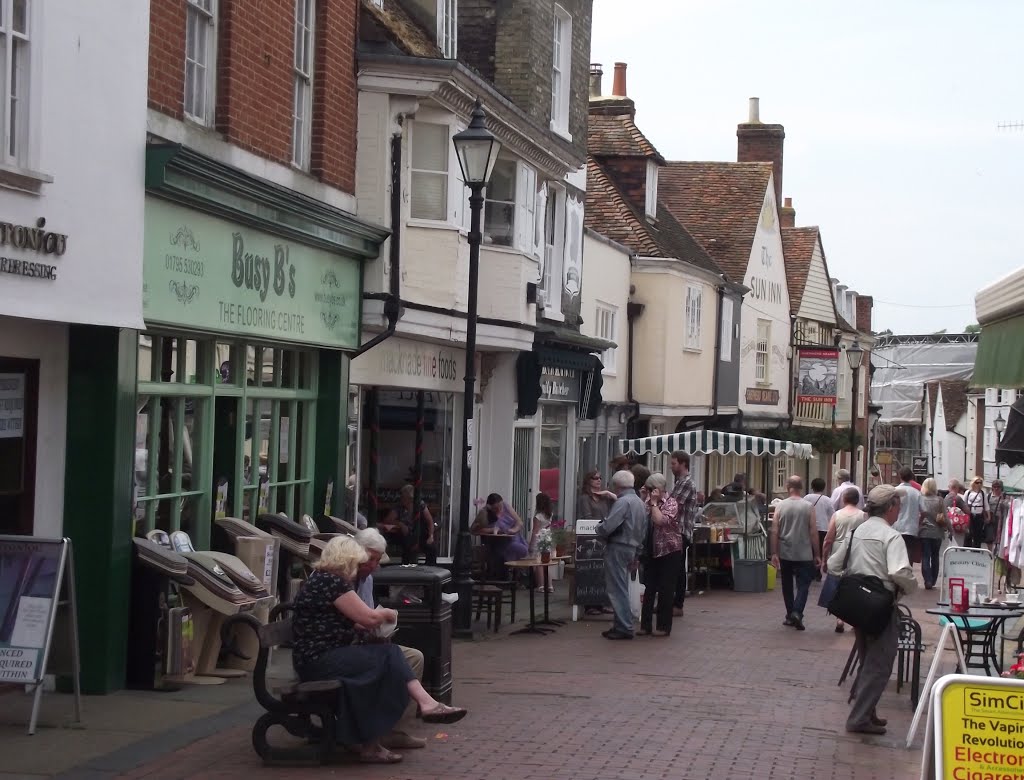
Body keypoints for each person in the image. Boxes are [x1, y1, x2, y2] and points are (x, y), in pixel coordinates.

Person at [291, 536, 466, 764]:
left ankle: (377, 738)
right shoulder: (332, 582)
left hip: (320, 656)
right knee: (390, 656)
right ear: (346, 560)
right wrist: (390, 614)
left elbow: (351, 622)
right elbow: (369, 617)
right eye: (356, 562)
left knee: (388, 657)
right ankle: (423, 706)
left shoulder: (324, 580)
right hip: (319, 660)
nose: (358, 568)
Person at [828, 484, 918, 736]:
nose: (899, 509)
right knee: (880, 663)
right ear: (890, 507)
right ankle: (858, 717)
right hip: (880, 604)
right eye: (898, 505)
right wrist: (912, 588)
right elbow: (899, 571)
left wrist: (855, 576)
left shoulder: (858, 531)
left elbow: (834, 565)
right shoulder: (892, 536)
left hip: (857, 603)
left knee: (867, 657)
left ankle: (868, 710)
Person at [352, 529, 427, 751]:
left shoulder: (367, 580)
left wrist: (379, 630)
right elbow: (360, 619)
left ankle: (390, 728)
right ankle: (376, 729)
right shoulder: (342, 579)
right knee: (395, 660)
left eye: (377, 560)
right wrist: (379, 620)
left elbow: (367, 614)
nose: (374, 565)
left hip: (363, 642)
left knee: (414, 658)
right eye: (371, 559)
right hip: (348, 646)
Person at [596, 470, 647, 640]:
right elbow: (642, 530)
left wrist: (599, 529)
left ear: (617, 486)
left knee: (617, 588)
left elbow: (609, 525)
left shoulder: (623, 502)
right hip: (632, 548)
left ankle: (624, 626)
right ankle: (620, 624)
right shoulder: (639, 503)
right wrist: (638, 553)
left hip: (618, 546)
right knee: (621, 585)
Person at [770, 476, 820, 631]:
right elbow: (813, 531)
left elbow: (774, 531)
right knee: (803, 585)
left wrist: (774, 552)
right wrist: (817, 553)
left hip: (786, 551)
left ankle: (790, 614)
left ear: (787, 487)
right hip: (804, 552)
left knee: (786, 585)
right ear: (801, 487)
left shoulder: (780, 506)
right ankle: (797, 612)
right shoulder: (808, 506)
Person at [639, 473, 682, 637]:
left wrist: (655, 504)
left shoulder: (672, 503)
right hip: (652, 549)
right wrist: (644, 498)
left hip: (669, 550)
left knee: (665, 588)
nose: (649, 492)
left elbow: (660, 521)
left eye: (651, 489)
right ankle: (646, 625)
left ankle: (663, 626)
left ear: (659, 489)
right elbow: (642, 517)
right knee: (649, 587)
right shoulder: (648, 502)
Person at [820, 487, 867, 633]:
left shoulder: (837, 515)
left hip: (838, 552)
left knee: (838, 586)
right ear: (857, 500)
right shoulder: (863, 516)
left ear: (843, 499)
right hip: (857, 552)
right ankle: (854, 619)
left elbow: (828, 539)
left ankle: (840, 619)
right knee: (855, 586)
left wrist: (824, 559)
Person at [669, 451, 699, 617]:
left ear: (683, 464)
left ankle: (677, 604)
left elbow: (673, 505)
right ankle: (673, 602)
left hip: (680, 531)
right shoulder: (680, 482)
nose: (671, 466)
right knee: (676, 567)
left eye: (673, 463)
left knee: (678, 568)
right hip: (677, 531)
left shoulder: (686, 483)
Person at [379, 485, 437, 566]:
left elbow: (430, 521)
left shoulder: (420, 505)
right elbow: (388, 520)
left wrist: (431, 536)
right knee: (407, 546)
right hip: (406, 535)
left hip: (420, 533)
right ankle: (406, 568)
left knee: (431, 548)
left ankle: (430, 568)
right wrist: (401, 524)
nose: (402, 498)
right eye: (402, 496)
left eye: (403, 496)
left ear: (410, 498)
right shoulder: (399, 507)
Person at [471, 493, 529, 572]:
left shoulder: (506, 506)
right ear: (490, 507)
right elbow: (474, 530)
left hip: (512, 537)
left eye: (500, 506)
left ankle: (514, 572)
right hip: (498, 542)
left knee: (522, 549)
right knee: (514, 549)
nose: (499, 509)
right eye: (496, 508)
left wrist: (513, 530)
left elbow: (519, 522)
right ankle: (509, 571)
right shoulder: (485, 513)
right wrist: (492, 530)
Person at [917, 478, 947, 590]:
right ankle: (933, 580)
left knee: (925, 556)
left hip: (924, 531)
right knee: (935, 556)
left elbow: (918, 514)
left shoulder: (921, 499)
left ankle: (927, 580)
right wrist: (950, 529)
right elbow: (945, 517)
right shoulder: (939, 500)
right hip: (937, 532)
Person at [804, 477, 833, 580]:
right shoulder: (827, 500)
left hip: (809, 527)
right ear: (824, 488)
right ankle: (817, 571)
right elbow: (832, 515)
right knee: (819, 550)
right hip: (823, 528)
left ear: (812, 487)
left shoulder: (807, 497)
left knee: (810, 550)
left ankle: (810, 570)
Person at [893, 466, 922, 563]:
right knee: (909, 553)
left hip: (897, 526)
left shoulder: (894, 491)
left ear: (900, 476)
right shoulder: (917, 493)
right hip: (911, 527)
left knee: (896, 552)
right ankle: (908, 572)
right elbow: (924, 511)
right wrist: (919, 522)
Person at [529, 492, 553, 590]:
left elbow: (535, 530)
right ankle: (550, 585)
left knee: (538, 563)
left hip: (539, 538)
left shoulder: (538, 516)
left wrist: (531, 544)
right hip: (547, 537)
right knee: (546, 562)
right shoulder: (549, 514)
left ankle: (541, 585)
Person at [964, 476, 990, 549]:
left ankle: (977, 549)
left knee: (978, 534)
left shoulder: (982, 493)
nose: (979, 484)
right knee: (969, 533)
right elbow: (964, 504)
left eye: (980, 483)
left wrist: (988, 516)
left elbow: (986, 504)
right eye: (977, 482)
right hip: (970, 515)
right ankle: (967, 548)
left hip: (979, 515)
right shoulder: (968, 492)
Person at [990, 479, 1012, 557]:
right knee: (991, 537)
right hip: (992, 519)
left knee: (1000, 537)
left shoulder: (1006, 496)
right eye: (994, 487)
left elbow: (1009, 506)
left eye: (998, 487)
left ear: (1001, 488)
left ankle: (998, 552)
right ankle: (991, 553)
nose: (996, 488)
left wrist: (1004, 500)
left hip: (1002, 520)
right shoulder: (989, 496)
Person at [945, 480, 970, 547]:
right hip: (958, 525)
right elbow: (967, 511)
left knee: (950, 545)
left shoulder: (946, 498)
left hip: (949, 524)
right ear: (956, 488)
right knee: (958, 545)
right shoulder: (958, 498)